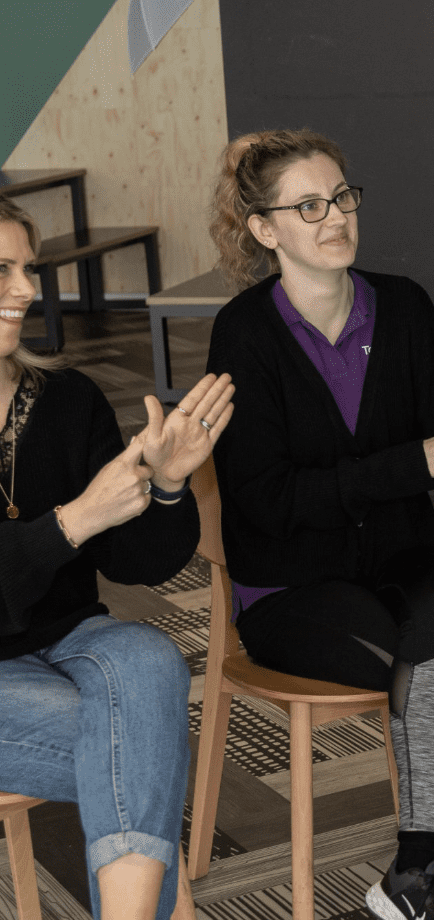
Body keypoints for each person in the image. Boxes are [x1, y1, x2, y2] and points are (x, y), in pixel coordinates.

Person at [206, 128, 434, 920]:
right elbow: (264, 500)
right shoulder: (244, 334)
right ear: (266, 229)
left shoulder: (402, 305)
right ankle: (427, 876)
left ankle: (414, 876)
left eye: (342, 196)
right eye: (309, 205)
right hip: (289, 587)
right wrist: (412, 464)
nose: (336, 216)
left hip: (397, 563)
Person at [0, 194, 235, 920]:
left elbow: (138, 564)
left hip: (68, 640)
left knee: (150, 662)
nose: (26, 289)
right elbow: (77, 527)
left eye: (28, 268)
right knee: (143, 736)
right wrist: (72, 521)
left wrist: (167, 488)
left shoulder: (66, 399)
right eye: (1, 270)